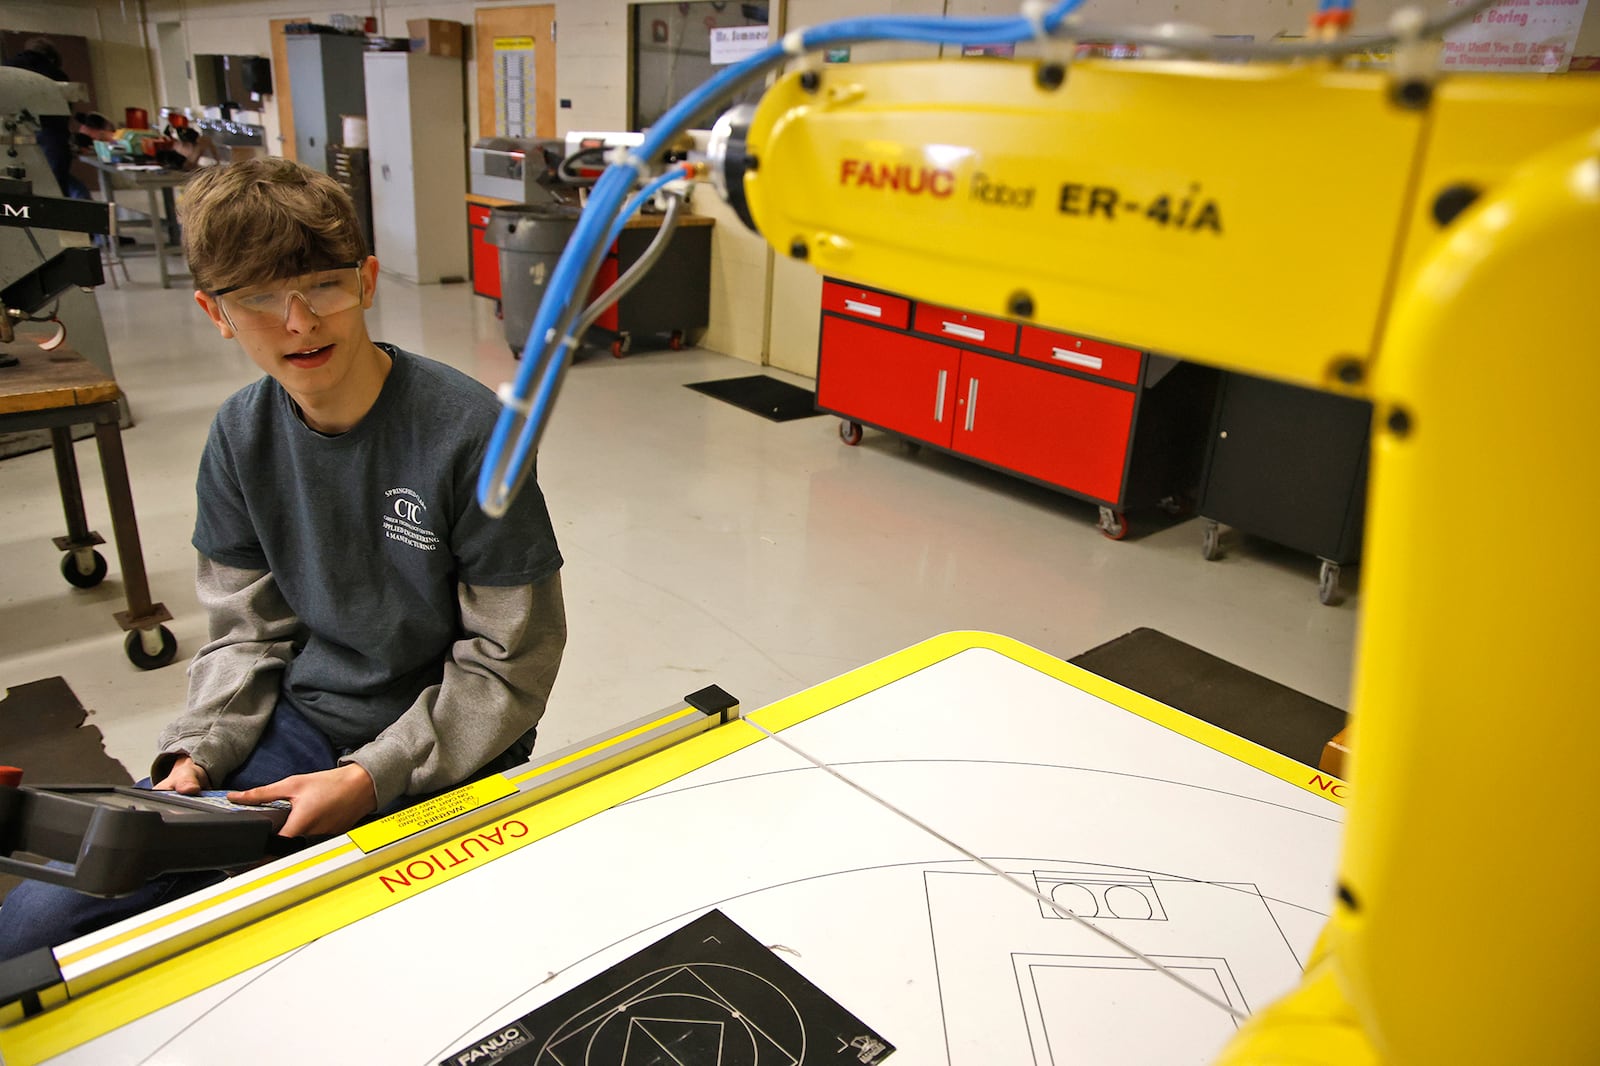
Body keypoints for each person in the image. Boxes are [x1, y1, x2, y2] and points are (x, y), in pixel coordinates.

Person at [0, 157, 566, 959]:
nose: (299, 322)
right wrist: (201, 749)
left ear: (366, 281)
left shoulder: (468, 433)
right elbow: (243, 633)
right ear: (214, 311)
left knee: (361, 958)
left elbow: (512, 661)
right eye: (259, 298)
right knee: (37, 931)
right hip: (301, 722)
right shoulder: (240, 437)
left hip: (451, 740)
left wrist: (374, 774)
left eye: (324, 286)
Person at [3, 37, 89, 199]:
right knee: (55, 186)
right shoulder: (55, 73)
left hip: (10, 136)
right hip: (49, 134)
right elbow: (64, 111)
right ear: (51, 57)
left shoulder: (7, 69)